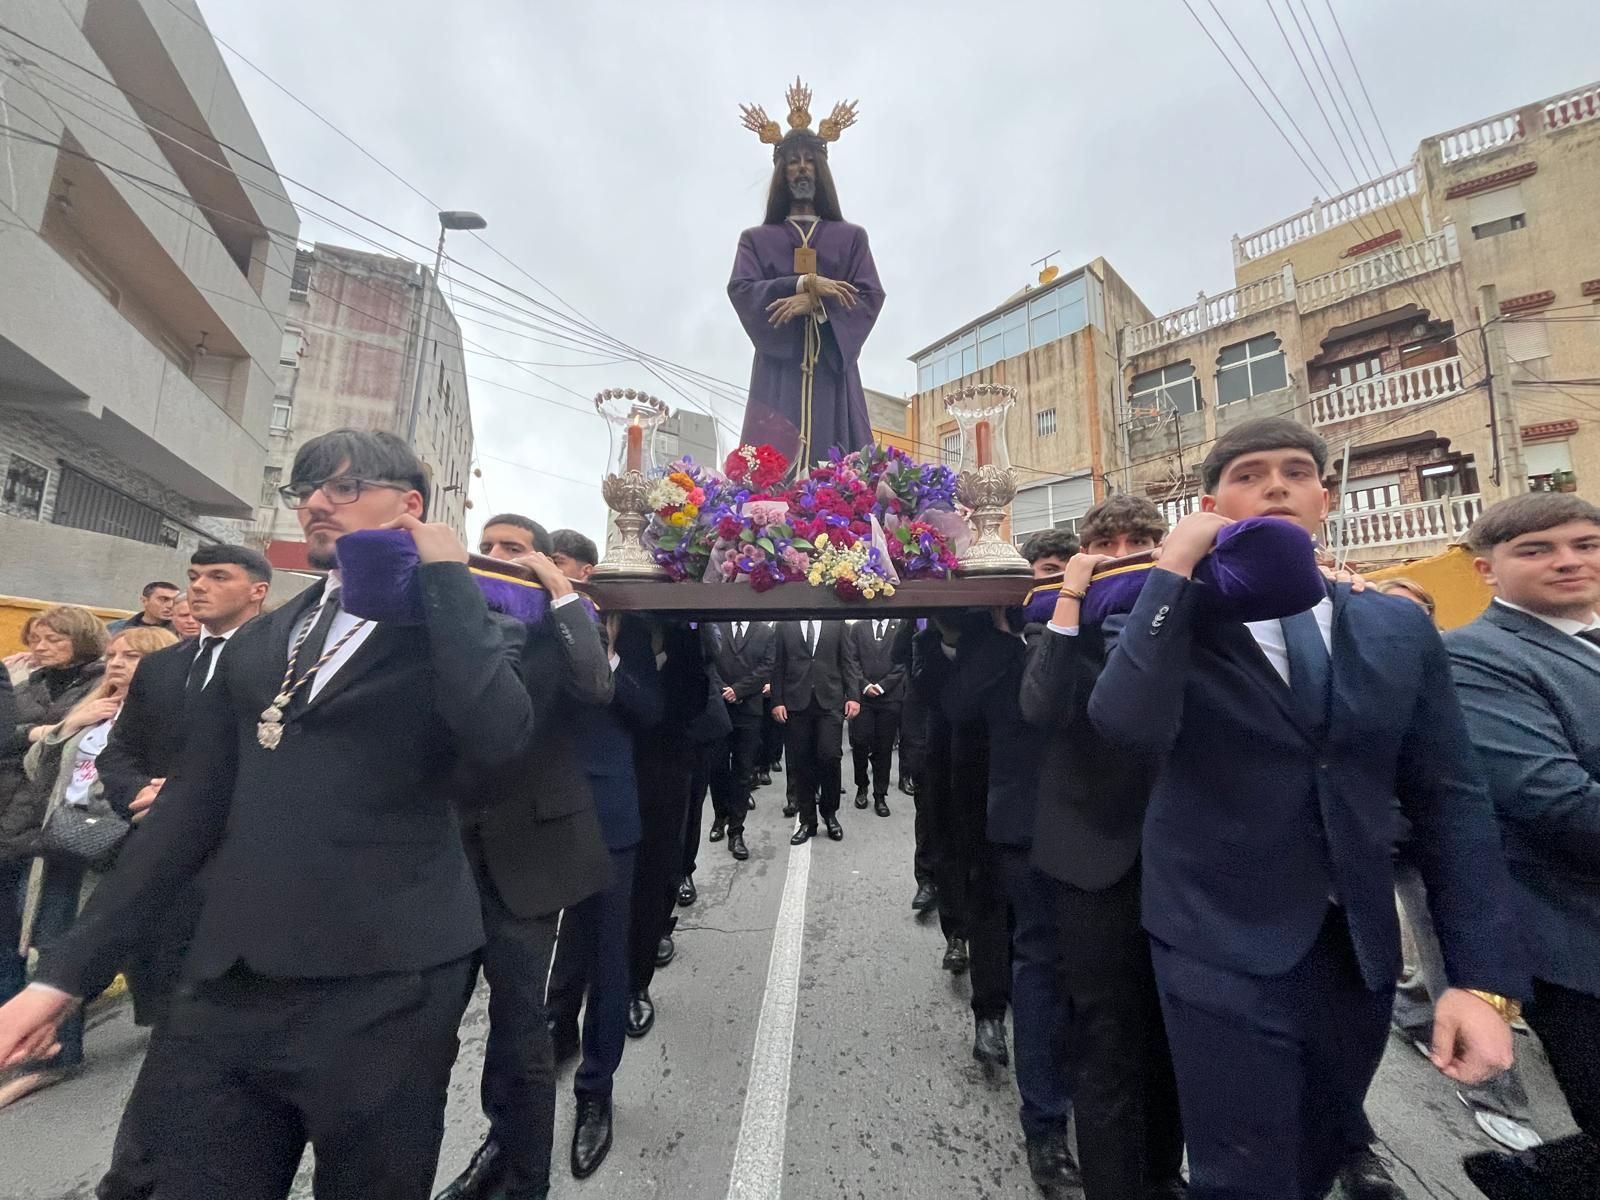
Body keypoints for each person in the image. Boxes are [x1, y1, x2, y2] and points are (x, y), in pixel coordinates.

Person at [0, 429, 537, 1199]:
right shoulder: (262, 645)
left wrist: (446, 575)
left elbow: (499, 736)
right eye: (306, 490)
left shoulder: (467, 630)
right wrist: (65, 977)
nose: (318, 502)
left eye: (345, 487)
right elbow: (189, 813)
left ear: (410, 506)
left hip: (385, 987)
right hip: (229, 984)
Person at [1089, 417, 1527, 1200]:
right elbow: (1123, 725)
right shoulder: (1169, 614)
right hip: (1215, 938)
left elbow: (1450, 798)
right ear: (1210, 502)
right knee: (1241, 1173)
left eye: (1296, 472)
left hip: (1356, 946)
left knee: (1322, 1151)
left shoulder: (1394, 624)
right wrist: (1177, 567)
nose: (1276, 485)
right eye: (1250, 473)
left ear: (1325, 499)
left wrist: (1479, 980)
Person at [438, 515, 613, 1200]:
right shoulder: (460, 621)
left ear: (539, 559)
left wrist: (560, 594)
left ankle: (523, 1180)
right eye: (490, 547)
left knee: (520, 1032)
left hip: (529, 855)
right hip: (448, 849)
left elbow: (595, 685)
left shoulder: (564, 623)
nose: (497, 558)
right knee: (428, 1030)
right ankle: (489, 1152)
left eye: (514, 549)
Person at [91, 544, 271, 1198]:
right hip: (161, 870)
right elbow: (120, 752)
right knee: (169, 1019)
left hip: (238, 872)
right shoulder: (164, 668)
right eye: (192, 578)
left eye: (216, 577)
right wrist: (138, 795)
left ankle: (149, 1173)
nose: (197, 589)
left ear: (258, 591)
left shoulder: (280, 665)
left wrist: (187, 800)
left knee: (210, 1035)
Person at [1021, 498, 1187, 1200]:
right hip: (1092, 858)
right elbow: (1039, 707)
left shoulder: (1188, 616)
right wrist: (1070, 597)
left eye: (1142, 539)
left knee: (1175, 1038)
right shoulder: (1062, 628)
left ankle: (1161, 1171)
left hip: (1184, 858)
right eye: (1108, 541)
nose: (1125, 550)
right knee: (1106, 1040)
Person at [1445, 493, 1600, 1198]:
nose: (1568, 560)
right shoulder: (1476, 656)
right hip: (1579, 944)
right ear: (1487, 568)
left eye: (1584, 543)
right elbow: (1554, 802)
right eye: (1537, 550)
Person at [1372, 574, 1543, 1155]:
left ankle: (1422, 1014)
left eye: (1415, 612)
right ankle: (1497, 1095)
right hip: (1388, 835)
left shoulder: (1441, 666)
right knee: (1431, 945)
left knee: (1450, 947)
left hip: (1448, 834)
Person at [942, 543, 1078, 1193]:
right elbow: (960, 707)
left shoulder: (1109, 632)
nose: (1052, 586)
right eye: (1041, 576)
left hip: (1105, 830)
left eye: (1064, 573)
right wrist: (998, 633)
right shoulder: (997, 648)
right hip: (1016, 824)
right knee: (1036, 961)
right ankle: (1045, 1121)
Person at [0, 625, 177, 1108]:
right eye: (115, 654)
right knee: (54, 944)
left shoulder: (166, 716)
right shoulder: (93, 708)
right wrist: (69, 724)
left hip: (125, 845)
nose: (117, 663)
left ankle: (57, 1054)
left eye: (133, 657)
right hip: (66, 841)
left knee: (108, 941)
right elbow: (39, 768)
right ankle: (48, 1051)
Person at [547, 609, 663, 1181]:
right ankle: (549, 1043)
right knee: (542, 958)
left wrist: (605, 653)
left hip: (605, 815)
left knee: (605, 953)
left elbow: (651, 711)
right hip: (529, 816)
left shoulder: (634, 639)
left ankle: (596, 1088)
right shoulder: (522, 628)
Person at [730, 80, 884, 468]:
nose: (801, 168)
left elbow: (868, 296)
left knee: (840, 476)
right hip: (777, 377)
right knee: (769, 475)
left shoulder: (850, 238)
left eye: (809, 160)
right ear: (781, 173)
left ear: (821, 170)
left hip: (832, 377)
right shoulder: (756, 240)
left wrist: (815, 304)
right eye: (793, 161)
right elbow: (742, 290)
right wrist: (804, 283)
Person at [908, 614, 1012, 1066]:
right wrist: (944, 640)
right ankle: (957, 940)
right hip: (948, 777)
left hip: (1007, 786)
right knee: (956, 868)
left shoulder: (1014, 638)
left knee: (990, 893)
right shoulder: (927, 642)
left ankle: (992, 1007)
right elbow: (938, 699)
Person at [628, 624, 724, 1039]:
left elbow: (698, 684)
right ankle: (564, 1006)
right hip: (611, 775)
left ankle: (637, 979)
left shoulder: (689, 638)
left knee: (661, 872)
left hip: (671, 765)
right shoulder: (610, 628)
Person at [1, 606, 108, 827]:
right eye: (34, 639)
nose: (40, 647)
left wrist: (28, 734)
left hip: (60, 797)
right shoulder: (26, 683)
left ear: (82, 640)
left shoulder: (102, 684)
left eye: (53, 639)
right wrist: (38, 732)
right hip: (10, 789)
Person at [771, 619, 852, 843]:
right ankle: (808, 820)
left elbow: (847, 660)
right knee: (801, 762)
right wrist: (777, 700)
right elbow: (778, 664)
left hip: (830, 700)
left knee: (830, 757)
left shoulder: (836, 623)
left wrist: (853, 695)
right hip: (796, 702)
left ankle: (830, 813)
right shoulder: (784, 625)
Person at [702, 619, 775, 867]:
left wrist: (739, 690)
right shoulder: (716, 627)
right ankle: (719, 816)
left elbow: (766, 667)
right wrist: (724, 689)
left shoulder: (765, 631)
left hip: (749, 710)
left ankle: (736, 831)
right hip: (718, 707)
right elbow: (709, 662)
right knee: (717, 767)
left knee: (743, 772)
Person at [842, 617, 903, 816]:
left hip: (890, 697)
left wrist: (884, 685)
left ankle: (880, 794)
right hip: (863, 697)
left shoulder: (899, 625)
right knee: (860, 742)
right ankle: (862, 786)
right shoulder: (858, 627)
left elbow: (902, 661)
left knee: (884, 747)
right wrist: (865, 685)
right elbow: (851, 659)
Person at [107, 582, 179, 635]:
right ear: (144, 601)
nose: (171, 605)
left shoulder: (183, 631)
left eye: (176, 600)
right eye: (164, 599)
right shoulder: (115, 628)